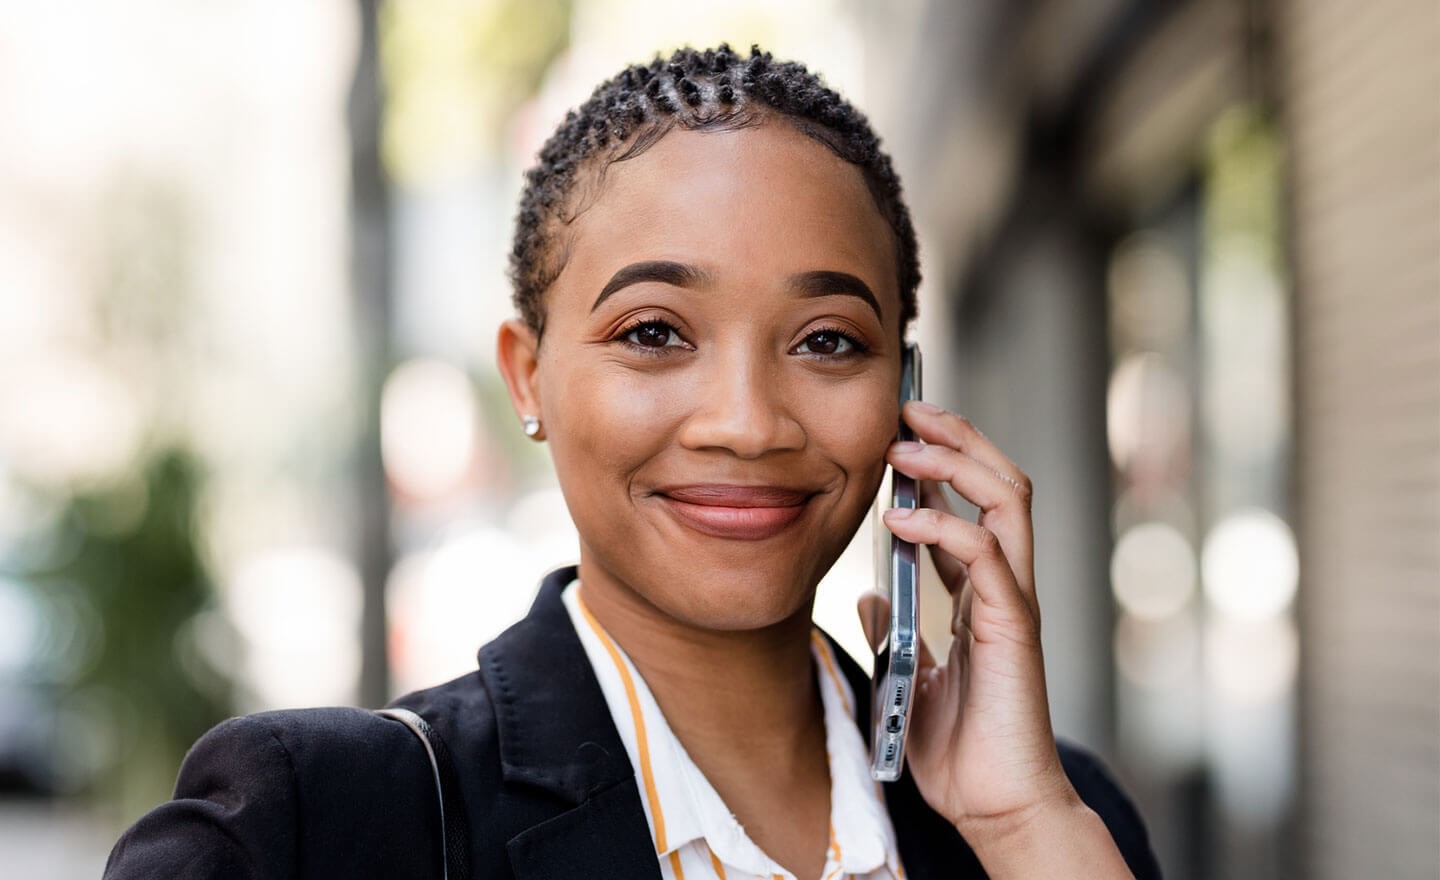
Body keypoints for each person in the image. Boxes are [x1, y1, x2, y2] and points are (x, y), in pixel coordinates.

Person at [105, 45, 1160, 879]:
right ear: (528, 378)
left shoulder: (1057, 818)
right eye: (655, 331)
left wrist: (1023, 826)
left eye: (829, 339)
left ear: (906, 388)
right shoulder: (319, 824)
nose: (747, 423)